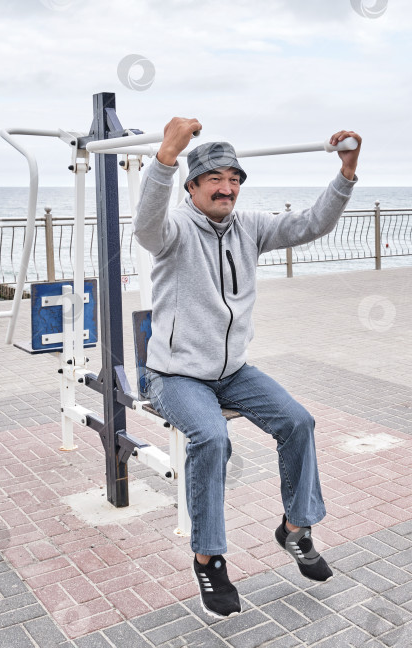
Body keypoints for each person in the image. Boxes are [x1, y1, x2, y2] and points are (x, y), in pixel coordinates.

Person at [134, 117, 361, 619]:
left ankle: (296, 530)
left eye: (234, 179)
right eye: (215, 178)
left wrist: (345, 173)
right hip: (174, 375)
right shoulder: (174, 230)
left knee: (299, 421)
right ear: (192, 186)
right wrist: (165, 159)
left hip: (233, 371)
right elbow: (145, 227)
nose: (227, 187)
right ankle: (209, 556)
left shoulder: (249, 228)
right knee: (212, 439)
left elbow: (312, 223)